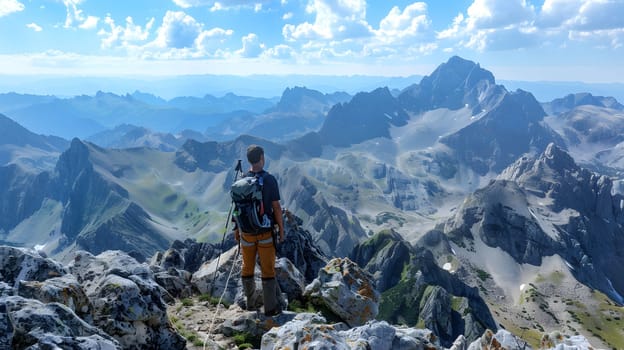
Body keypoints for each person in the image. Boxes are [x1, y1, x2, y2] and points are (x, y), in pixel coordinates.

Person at [233, 144, 285, 316]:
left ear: (249, 160)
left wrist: (237, 230)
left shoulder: (241, 182)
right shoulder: (269, 180)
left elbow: (237, 208)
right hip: (264, 232)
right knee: (267, 270)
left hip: (246, 233)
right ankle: (270, 310)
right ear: (262, 157)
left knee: (247, 267)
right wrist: (282, 231)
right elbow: (276, 207)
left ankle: (250, 304)